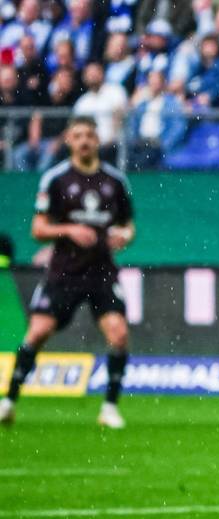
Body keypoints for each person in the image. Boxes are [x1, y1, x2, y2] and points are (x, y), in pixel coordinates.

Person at [0, 117, 134, 429]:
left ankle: (110, 408)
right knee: (38, 332)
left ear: (97, 140)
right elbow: (37, 229)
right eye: (78, 136)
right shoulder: (56, 179)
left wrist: (125, 235)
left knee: (119, 334)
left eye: (89, 135)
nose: (84, 141)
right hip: (65, 271)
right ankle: (9, 402)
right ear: (69, 141)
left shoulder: (115, 181)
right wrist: (69, 230)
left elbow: (128, 226)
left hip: (102, 271)